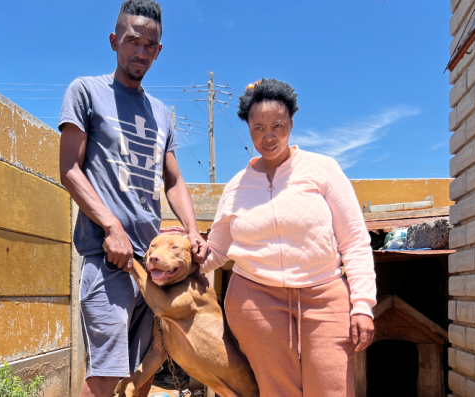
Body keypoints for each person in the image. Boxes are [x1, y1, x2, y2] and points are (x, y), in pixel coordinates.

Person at [58, 1, 209, 396]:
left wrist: (193, 230)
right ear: (114, 41)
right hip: (109, 259)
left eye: (150, 44)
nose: (140, 51)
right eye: (132, 41)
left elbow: (173, 179)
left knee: (140, 374)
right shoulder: (86, 91)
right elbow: (70, 170)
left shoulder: (161, 113)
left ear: (159, 51)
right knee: (106, 377)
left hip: (151, 267)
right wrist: (111, 226)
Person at [201, 78, 376, 397]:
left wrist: (362, 305)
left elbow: (354, 242)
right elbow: (215, 251)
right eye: (258, 128)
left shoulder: (322, 170)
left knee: (332, 388)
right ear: (249, 129)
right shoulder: (236, 187)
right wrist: (178, 254)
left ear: (291, 123)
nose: (268, 136)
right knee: (277, 392)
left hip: (324, 296)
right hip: (256, 300)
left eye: (278, 125)